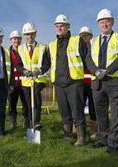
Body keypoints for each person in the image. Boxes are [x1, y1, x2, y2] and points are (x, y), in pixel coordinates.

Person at [86, 9, 118, 153]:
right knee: (101, 113)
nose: (105, 24)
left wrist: (108, 70)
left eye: (107, 21)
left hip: (114, 81)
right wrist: (95, 71)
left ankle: (114, 143)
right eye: (102, 22)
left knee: (116, 113)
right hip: (97, 82)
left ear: (112, 22)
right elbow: (88, 59)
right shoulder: (93, 41)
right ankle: (104, 139)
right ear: (98, 24)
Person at [48, 14, 87, 146]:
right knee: (64, 111)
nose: (59, 28)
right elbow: (47, 63)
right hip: (58, 83)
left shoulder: (77, 40)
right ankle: (68, 134)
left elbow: (87, 59)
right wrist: (37, 71)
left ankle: (81, 137)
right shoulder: (52, 45)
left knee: (77, 111)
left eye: (62, 26)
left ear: (68, 27)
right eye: (57, 26)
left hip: (74, 82)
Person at [16, 22, 50, 130]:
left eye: (31, 34)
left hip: (38, 79)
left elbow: (47, 64)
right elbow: (18, 65)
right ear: (24, 36)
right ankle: (29, 122)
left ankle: (36, 122)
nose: (29, 36)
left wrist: (39, 71)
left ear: (35, 34)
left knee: (36, 98)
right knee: (27, 103)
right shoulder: (20, 49)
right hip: (26, 81)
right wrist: (23, 71)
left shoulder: (42, 47)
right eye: (27, 34)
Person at [78, 26, 98, 140]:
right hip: (79, 83)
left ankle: (94, 131)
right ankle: (78, 130)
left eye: (86, 35)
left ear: (91, 37)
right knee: (78, 107)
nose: (84, 37)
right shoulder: (76, 49)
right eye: (82, 35)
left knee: (93, 107)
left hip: (92, 82)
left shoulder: (95, 48)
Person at [8, 30, 28, 130]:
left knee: (26, 103)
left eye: (18, 38)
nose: (16, 40)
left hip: (24, 82)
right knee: (12, 104)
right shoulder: (7, 53)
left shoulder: (24, 51)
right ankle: (13, 122)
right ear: (11, 40)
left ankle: (26, 122)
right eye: (14, 38)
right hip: (13, 83)